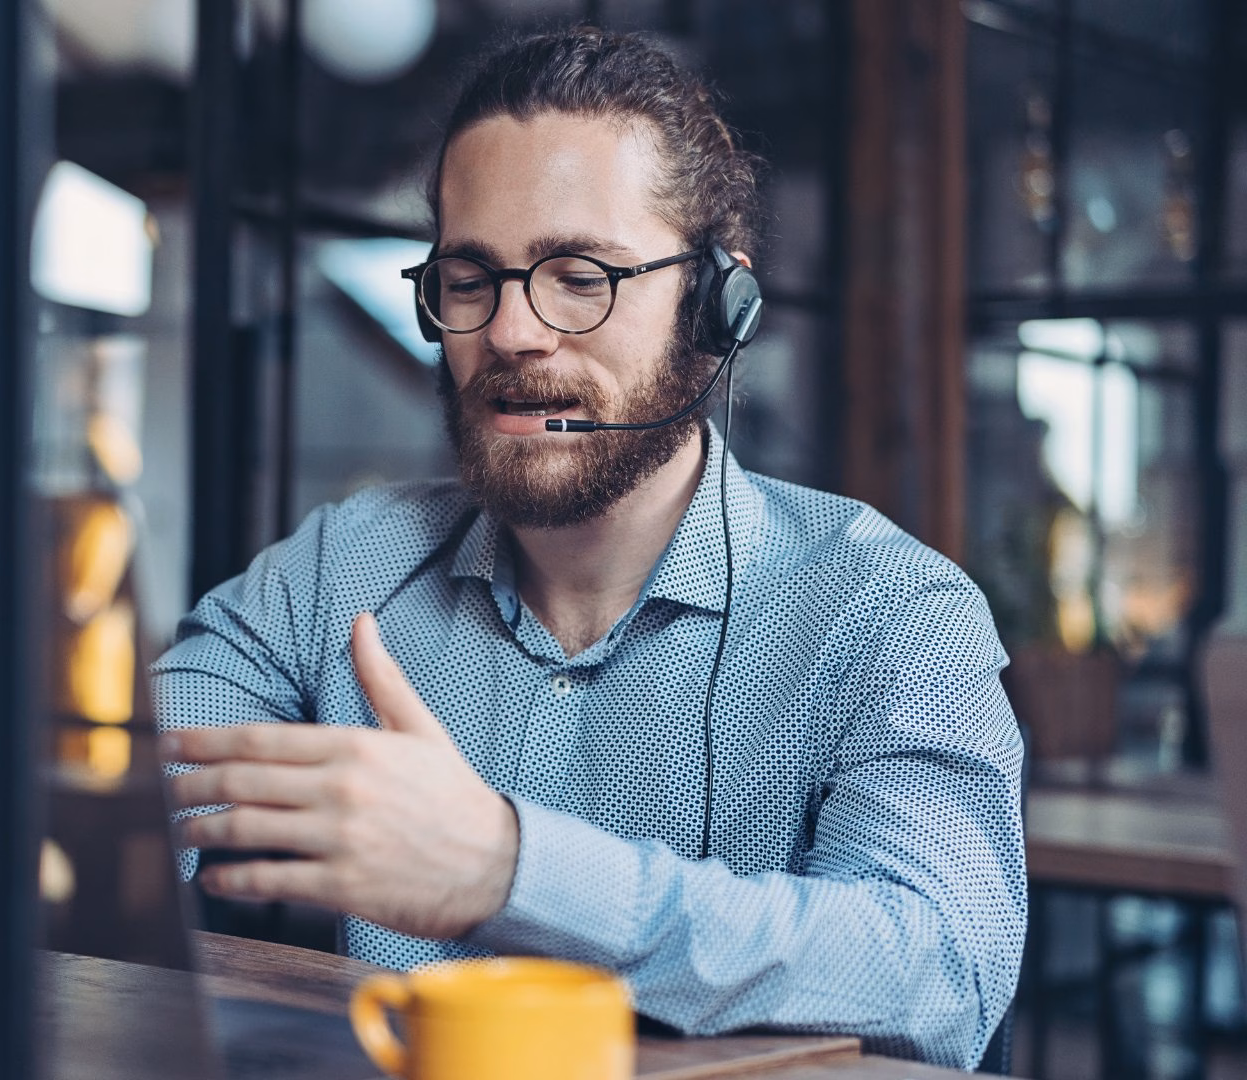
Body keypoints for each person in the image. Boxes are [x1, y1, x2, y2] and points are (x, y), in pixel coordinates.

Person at [154, 26, 1024, 1070]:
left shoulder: (890, 612)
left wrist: (509, 871)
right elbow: (117, 779)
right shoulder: (343, 568)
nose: (514, 332)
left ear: (717, 304)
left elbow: (938, 972)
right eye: (472, 278)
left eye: (579, 275)